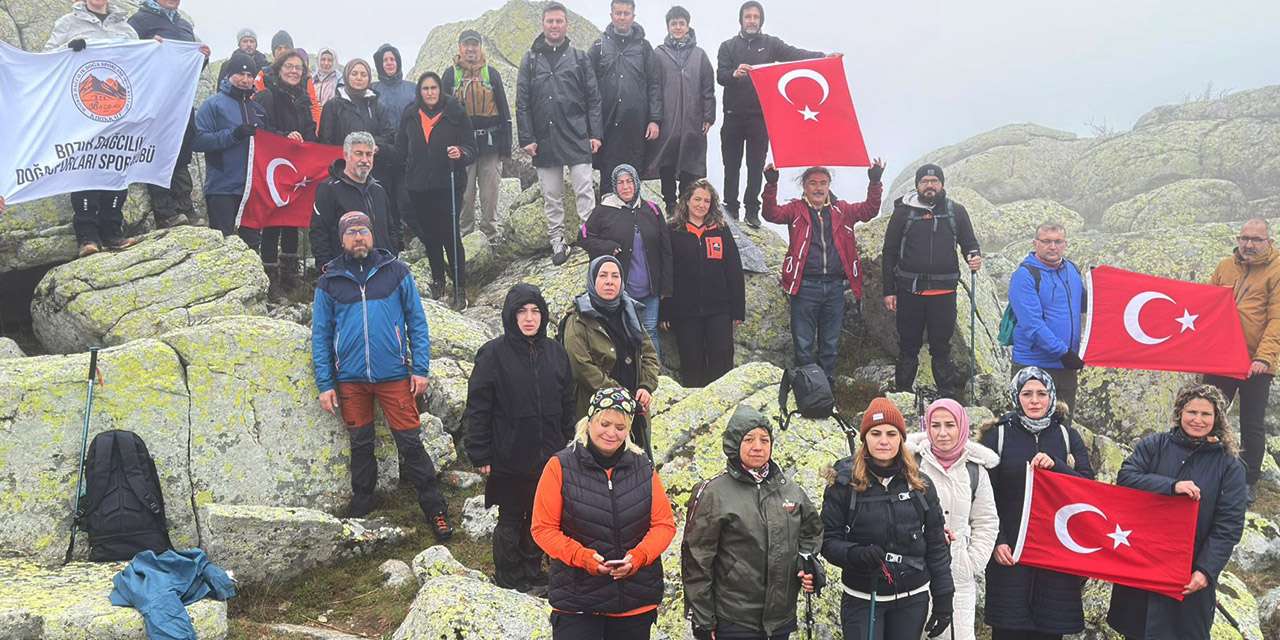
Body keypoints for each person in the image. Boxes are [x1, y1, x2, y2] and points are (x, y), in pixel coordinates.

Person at [311, 212, 453, 541]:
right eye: (351, 233)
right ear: (342, 239)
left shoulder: (396, 272)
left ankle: (435, 509)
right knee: (361, 444)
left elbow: (417, 322)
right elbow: (320, 335)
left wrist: (420, 369)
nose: (358, 237)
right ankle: (363, 506)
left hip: (394, 376)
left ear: (372, 235)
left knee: (410, 443)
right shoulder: (329, 281)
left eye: (363, 231)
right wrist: (325, 384)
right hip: (350, 379)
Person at [531, 386, 676, 640]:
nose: (611, 433)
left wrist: (638, 557)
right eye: (604, 423)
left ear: (628, 430)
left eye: (620, 427)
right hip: (577, 603)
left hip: (634, 603)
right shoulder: (559, 466)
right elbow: (543, 528)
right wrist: (582, 557)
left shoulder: (643, 466)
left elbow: (664, 524)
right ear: (589, 422)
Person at [1106, 383, 1248, 640]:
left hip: (1189, 572)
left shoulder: (1230, 465)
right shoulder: (1154, 445)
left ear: (1217, 418)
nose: (1197, 420)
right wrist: (1171, 486)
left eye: (1206, 414)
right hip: (1142, 563)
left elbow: (1229, 525)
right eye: (1192, 412)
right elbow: (1126, 476)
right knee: (1136, 631)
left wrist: (1205, 570)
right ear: (1180, 412)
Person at [464, 284, 576, 594]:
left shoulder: (556, 352)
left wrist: (569, 440)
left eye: (535, 311)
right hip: (509, 453)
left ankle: (533, 571)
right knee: (511, 517)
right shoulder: (492, 354)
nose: (529, 318)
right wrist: (480, 453)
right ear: (510, 316)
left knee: (541, 515)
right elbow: (478, 407)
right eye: (521, 312)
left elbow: (568, 400)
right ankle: (509, 577)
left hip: (550, 454)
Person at [682, 404, 823, 640]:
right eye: (749, 439)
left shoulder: (790, 490)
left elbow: (811, 533)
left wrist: (807, 566)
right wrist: (703, 620)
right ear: (734, 443)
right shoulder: (713, 492)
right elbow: (697, 559)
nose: (758, 446)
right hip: (734, 620)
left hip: (780, 619)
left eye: (764, 440)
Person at [820, 397, 955, 640]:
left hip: (912, 598)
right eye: (876, 433)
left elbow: (936, 544)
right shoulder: (842, 483)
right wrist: (856, 554)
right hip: (863, 598)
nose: (884, 441)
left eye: (891, 434)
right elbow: (828, 541)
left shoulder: (920, 485)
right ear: (865, 438)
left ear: (901, 439)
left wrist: (944, 597)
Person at [978, 367, 1094, 640]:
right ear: (1016, 397)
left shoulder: (1067, 436)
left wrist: (1058, 467)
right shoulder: (998, 436)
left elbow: (1088, 487)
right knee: (1009, 631)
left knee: (1049, 631)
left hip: (1055, 554)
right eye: (1027, 394)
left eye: (1041, 393)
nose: (1034, 400)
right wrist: (997, 540)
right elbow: (984, 496)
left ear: (1051, 396)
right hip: (1011, 551)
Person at [763, 161, 885, 383]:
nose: (818, 188)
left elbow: (870, 210)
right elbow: (771, 214)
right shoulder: (795, 209)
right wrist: (771, 184)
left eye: (823, 183)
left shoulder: (843, 210)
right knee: (803, 344)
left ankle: (826, 389)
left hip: (835, 287)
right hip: (804, 286)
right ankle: (807, 388)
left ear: (829, 185)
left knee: (830, 344)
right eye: (813, 183)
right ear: (804, 186)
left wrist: (875, 180)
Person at [44, 1, 141, 257]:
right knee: (85, 168)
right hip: (82, 110)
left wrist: (158, 48)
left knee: (116, 165)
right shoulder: (67, 23)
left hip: (118, 109)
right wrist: (68, 49)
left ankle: (113, 232)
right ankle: (87, 237)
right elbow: (47, 58)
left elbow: (141, 63)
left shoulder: (125, 27)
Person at [717, 1, 824, 228]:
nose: (752, 21)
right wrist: (734, 73)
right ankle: (731, 207)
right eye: (748, 17)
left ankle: (752, 210)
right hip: (732, 116)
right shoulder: (727, 46)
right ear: (741, 20)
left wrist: (823, 57)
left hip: (759, 117)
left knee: (755, 166)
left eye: (756, 17)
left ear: (761, 20)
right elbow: (720, 76)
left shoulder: (770, 44)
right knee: (731, 165)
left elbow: (795, 54)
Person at [883, 164, 983, 400]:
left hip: (944, 292)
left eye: (934, 181)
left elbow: (969, 243)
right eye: (925, 181)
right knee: (908, 345)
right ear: (917, 185)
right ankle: (904, 395)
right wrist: (889, 290)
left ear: (942, 184)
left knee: (942, 346)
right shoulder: (903, 212)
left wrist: (973, 256)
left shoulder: (956, 211)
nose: (930, 185)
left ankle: (946, 396)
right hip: (910, 291)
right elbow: (889, 252)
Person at [516, 1, 603, 266]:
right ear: (543, 24)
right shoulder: (530, 60)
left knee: (584, 190)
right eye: (550, 21)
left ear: (567, 24)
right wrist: (527, 138)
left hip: (576, 134)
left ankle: (590, 237)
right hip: (545, 138)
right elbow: (522, 102)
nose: (554, 25)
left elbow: (593, 98)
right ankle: (558, 241)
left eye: (559, 21)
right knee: (551, 195)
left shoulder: (579, 57)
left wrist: (595, 134)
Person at [906, 399, 1000, 640]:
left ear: (962, 426)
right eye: (935, 425)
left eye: (950, 425)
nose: (942, 433)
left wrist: (972, 562)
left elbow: (986, 520)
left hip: (958, 575)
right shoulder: (912, 465)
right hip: (915, 574)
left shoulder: (975, 470)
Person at [1207, 218, 1280, 505]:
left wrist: (1263, 357)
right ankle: (1205, 468)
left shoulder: (1277, 269)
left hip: (1256, 362)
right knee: (1208, 413)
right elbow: (1206, 304)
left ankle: (1248, 481)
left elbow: (1277, 319)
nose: (1249, 244)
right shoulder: (1225, 266)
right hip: (1221, 358)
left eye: (1256, 239)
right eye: (1244, 238)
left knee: (1252, 423)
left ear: (1268, 241)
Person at [563, 256, 661, 459]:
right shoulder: (577, 319)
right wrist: (620, 396)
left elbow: (649, 353)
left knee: (636, 464)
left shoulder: (629, 311)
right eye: (603, 275)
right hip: (597, 413)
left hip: (634, 410)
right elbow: (581, 366)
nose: (609, 281)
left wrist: (646, 386)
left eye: (615, 276)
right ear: (592, 280)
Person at [396, 72, 476, 305]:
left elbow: (471, 148)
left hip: (448, 184)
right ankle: (438, 281)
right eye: (425, 89)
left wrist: (461, 153)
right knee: (430, 237)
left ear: (440, 89)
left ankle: (460, 289)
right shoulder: (410, 114)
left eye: (433, 88)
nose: (430, 93)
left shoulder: (455, 112)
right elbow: (401, 149)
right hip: (419, 186)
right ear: (419, 91)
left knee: (450, 235)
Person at [128, 0, 207, 230]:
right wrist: (147, 48)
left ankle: (185, 207)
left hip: (181, 101)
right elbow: (129, 58)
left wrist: (202, 58)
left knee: (182, 153)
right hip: (154, 101)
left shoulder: (184, 25)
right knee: (158, 153)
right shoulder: (139, 21)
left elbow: (190, 68)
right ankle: (165, 212)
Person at [579, 164, 673, 357]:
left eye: (629, 181)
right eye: (620, 182)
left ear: (636, 183)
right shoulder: (603, 210)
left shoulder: (652, 209)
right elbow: (583, 237)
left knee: (650, 332)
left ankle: (653, 373)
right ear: (615, 186)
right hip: (621, 291)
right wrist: (607, 247)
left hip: (650, 290)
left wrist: (666, 286)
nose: (625, 186)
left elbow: (666, 250)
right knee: (623, 333)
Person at [660, 179, 743, 387]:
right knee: (691, 362)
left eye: (707, 201)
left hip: (719, 310)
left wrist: (738, 310)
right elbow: (666, 272)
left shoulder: (720, 230)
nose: (701, 205)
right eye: (697, 199)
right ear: (687, 201)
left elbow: (733, 270)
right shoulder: (672, 230)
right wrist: (665, 310)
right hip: (685, 311)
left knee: (721, 359)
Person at [249, 50, 317, 295]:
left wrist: (309, 143)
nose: (293, 71)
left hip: (296, 168)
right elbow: (260, 129)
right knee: (272, 220)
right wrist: (284, 137)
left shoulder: (304, 100)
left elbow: (310, 130)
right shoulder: (266, 96)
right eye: (289, 66)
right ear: (278, 69)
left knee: (292, 219)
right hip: (272, 167)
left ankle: (290, 275)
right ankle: (270, 275)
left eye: (298, 68)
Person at [1007, 222, 1085, 421]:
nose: (1052, 246)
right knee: (1029, 427)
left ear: (1065, 244)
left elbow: (1085, 304)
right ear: (1035, 243)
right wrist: (1064, 353)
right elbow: (1032, 325)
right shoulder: (1024, 276)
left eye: (1058, 241)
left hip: (1066, 367)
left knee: (1062, 428)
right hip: (1034, 365)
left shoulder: (1072, 270)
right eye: (1046, 241)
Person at [441, 30, 513, 239]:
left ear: (480, 48)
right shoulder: (450, 75)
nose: (470, 49)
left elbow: (504, 112)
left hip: (490, 144)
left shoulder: (491, 74)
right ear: (460, 48)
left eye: (474, 45)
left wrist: (506, 148)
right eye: (466, 45)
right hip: (462, 146)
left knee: (490, 194)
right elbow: (442, 114)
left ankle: (490, 236)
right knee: (465, 194)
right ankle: (466, 237)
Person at [644, 6, 715, 215]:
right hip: (668, 119)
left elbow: (708, 88)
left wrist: (709, 116)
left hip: (693, 119)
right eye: (673, 23)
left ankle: (685, 206)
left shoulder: (699, 55)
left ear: (688, 26)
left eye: (681, 23)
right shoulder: (659, 54)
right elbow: (653, 87)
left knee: (690, 163)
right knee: (667, 161)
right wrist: (654, 117)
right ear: (668, 27)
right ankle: (670, 204)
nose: (677, 27)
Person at [589, 0, 662, 194]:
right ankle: (608, 210)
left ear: (633, 16)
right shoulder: (599, 46)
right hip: (608, 124)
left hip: (636, 126)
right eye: (618, 13)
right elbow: (588, 87)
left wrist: (654, 119)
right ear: (611, 15)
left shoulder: (644, 47)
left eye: (626, 13)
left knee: (633, 176)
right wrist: (592, 128)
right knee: (608, 177)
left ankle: (633, 212)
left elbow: (654, 84)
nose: (622, 17)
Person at [192, 50, 266, 237]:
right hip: (222, 187)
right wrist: (233, 135)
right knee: (222, 241)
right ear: (229, 75)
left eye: (249, 75)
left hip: (251, 190)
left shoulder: (258, 109)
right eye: (240, 74)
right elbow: (197, 140)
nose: (245, 79)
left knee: (251, 244)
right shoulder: (213, 104)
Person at [311, 132, 396, 270]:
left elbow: (391, 229)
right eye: (359, 153)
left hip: (382, 270)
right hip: (345, 273)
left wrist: (393, 257)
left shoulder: (379, 190)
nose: (365, 160)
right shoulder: (329, 189)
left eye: (369, 154)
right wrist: (326, 269)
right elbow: (319, 232)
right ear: (346, 155)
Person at [372, 42, 418, 247]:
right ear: (380, 64)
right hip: (381, 153)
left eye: (392, 59)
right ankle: (392, 241)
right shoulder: (372, 90)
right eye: (385, 60)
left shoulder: (412, 89)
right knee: (384, 199)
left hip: (407, 152)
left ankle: (414, 237)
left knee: (406, 199)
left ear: (398, 62)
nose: (389, 63)